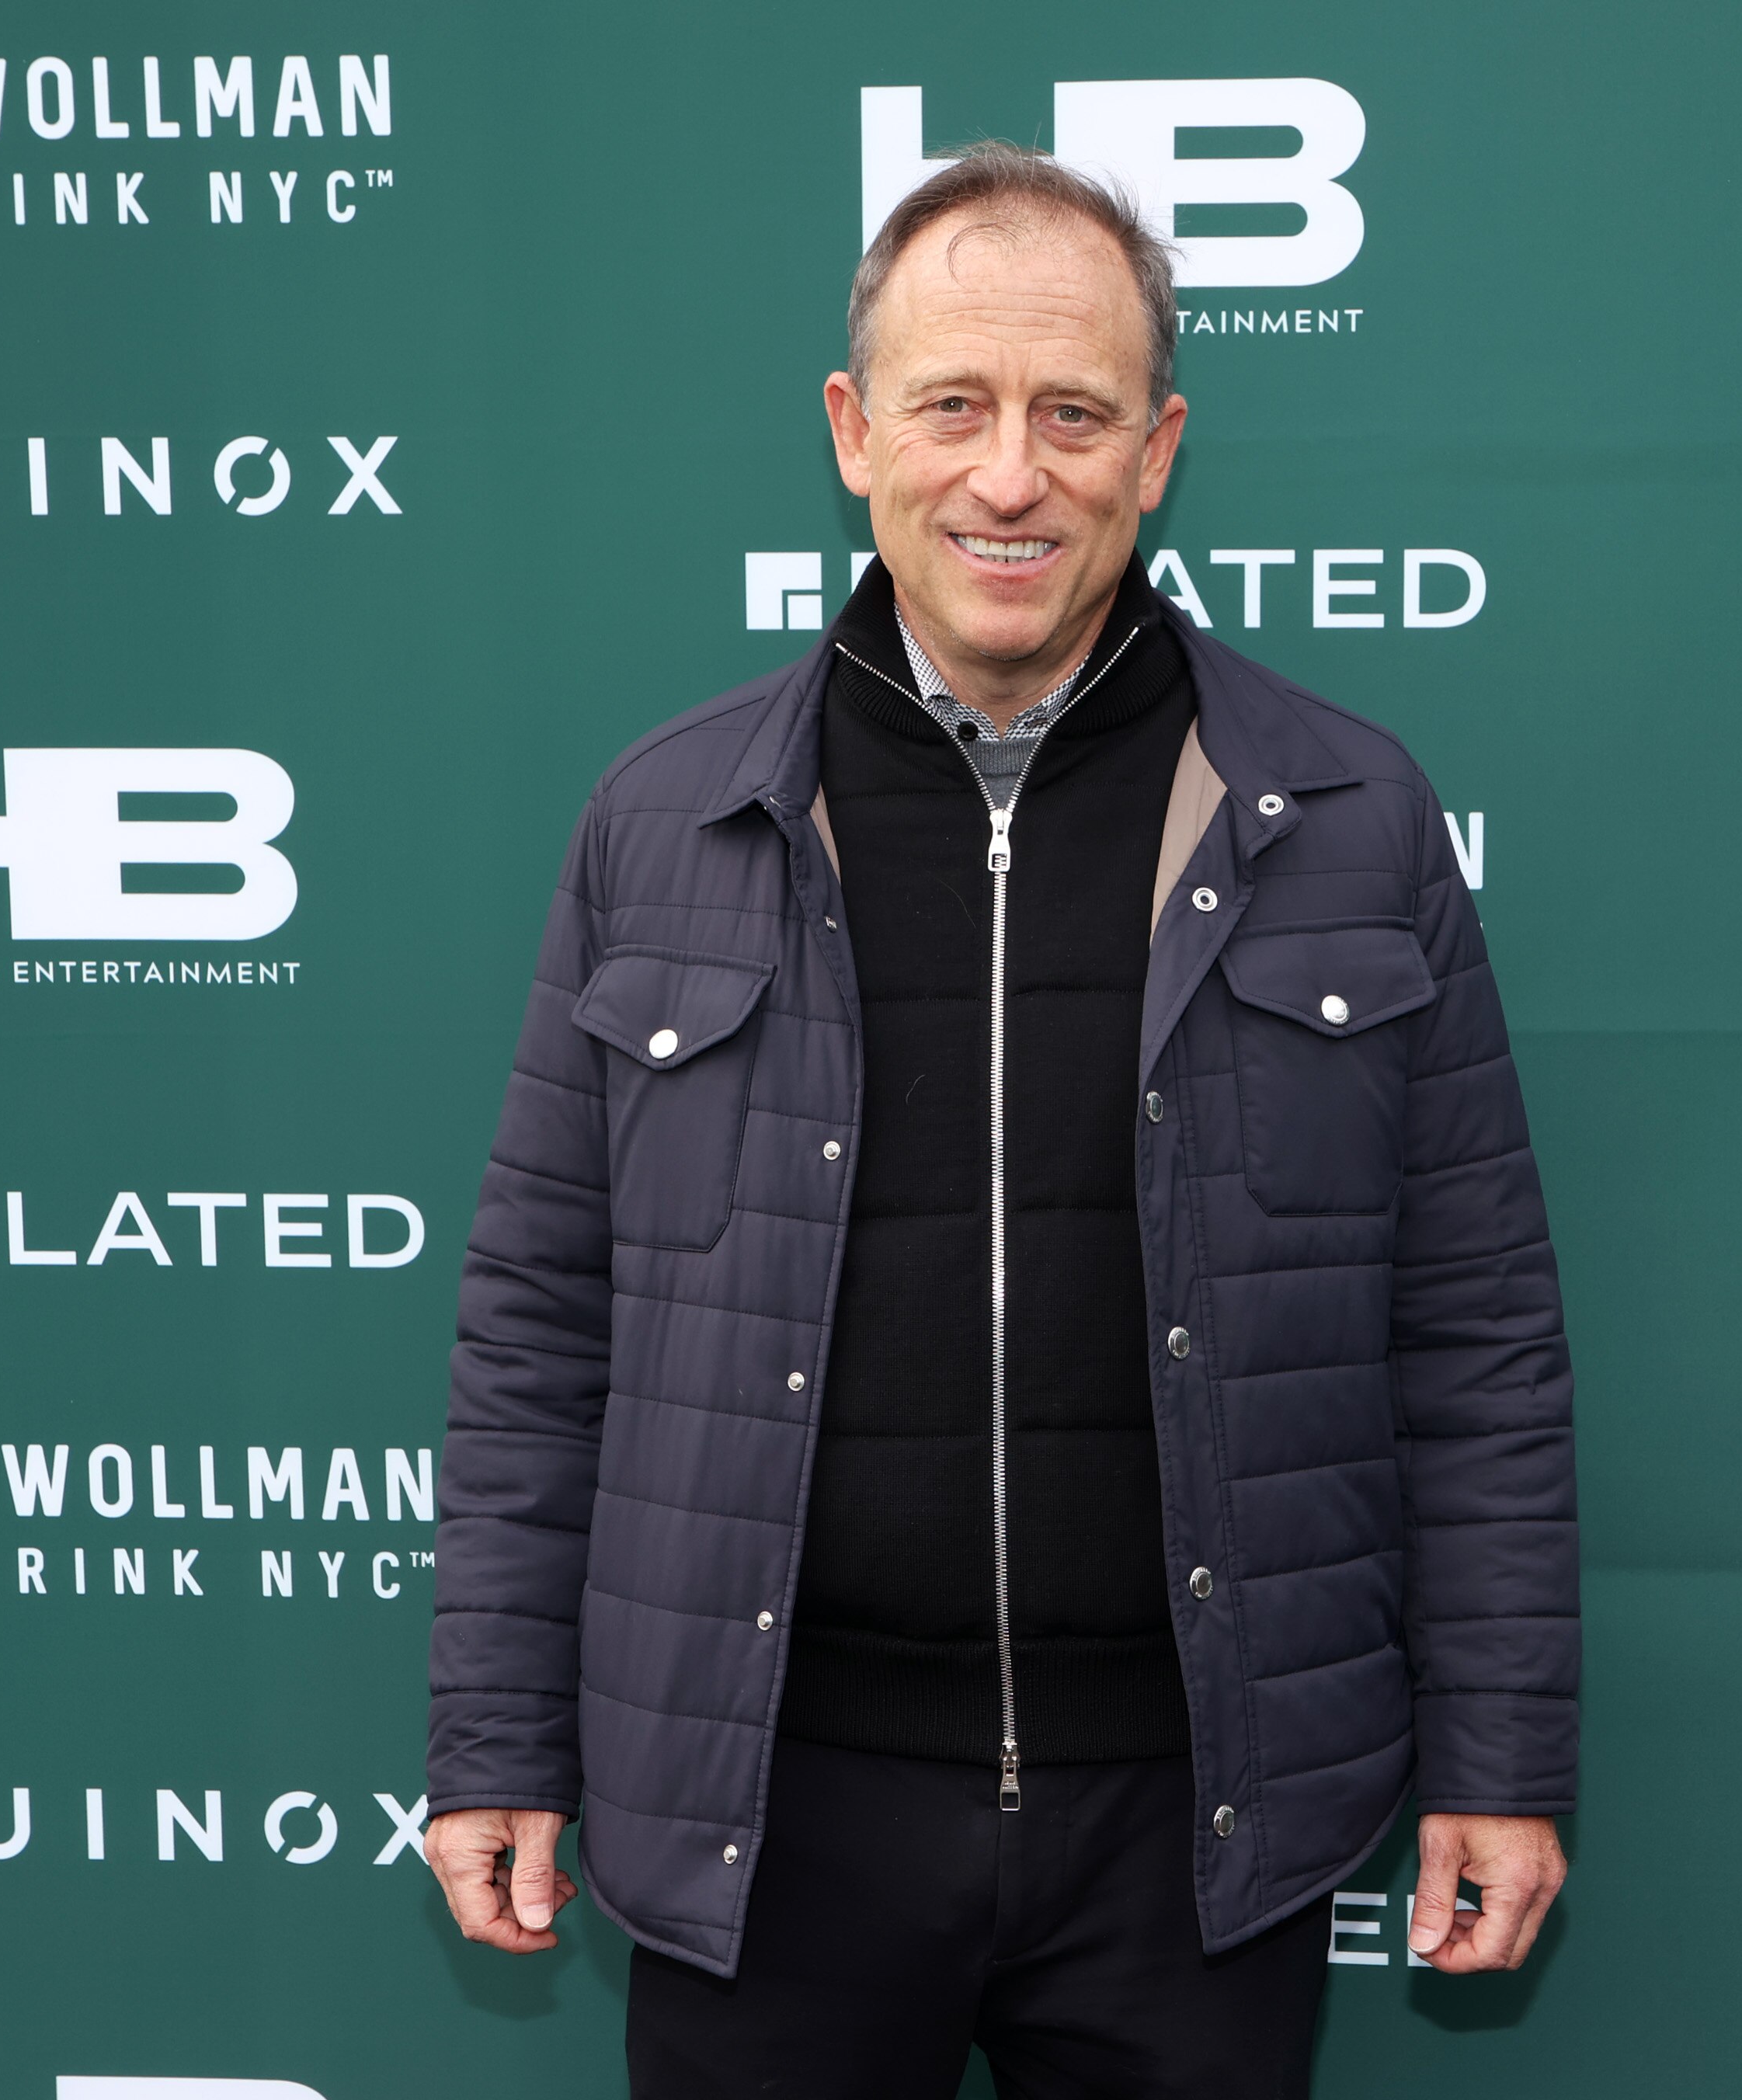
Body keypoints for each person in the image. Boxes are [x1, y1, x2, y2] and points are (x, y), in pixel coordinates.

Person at [422, 141, 1578, 2098]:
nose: (1010, 474)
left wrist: (1500, 1751)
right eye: (954, 407)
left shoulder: (1352, 821)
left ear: (1160, 446)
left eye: (1074, 413)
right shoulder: (667, 823)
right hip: (765, 1810)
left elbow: (1471, 1332)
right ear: (854, 433)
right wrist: (499, 1738)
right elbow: (543, 1328)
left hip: (1199, 1829)